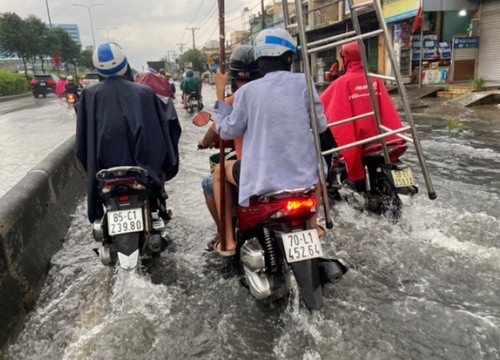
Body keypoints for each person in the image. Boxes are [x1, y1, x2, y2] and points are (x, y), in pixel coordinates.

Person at [213, 27, 328, 256]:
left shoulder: (247, 93)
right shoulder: (305, 83)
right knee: (320, 167)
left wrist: (219, 96)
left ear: (259, 61)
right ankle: (313, 225)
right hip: (305, 177)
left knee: (218, 171)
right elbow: (321, 126)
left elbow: (226, 131)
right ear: (288, 58)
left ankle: (227, 240)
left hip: (262, 178)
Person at [76, 43, 181, 223]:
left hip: (104, 169)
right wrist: (165, 166)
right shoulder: (144, 93)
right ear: (124, 64)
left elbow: (83, 140)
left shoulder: (89, 95)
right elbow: (160, 134)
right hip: (143, 169)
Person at [198, 45, 260, 252]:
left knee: (211, 181)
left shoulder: (237, 98)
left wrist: (203, 143)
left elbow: (221, 130)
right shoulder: (278, 93)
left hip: (252, 170)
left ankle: (226, 236)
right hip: (290, 171)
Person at [320, 42, 405, 190]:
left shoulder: (342, 82)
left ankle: (327, 182)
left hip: (358, 138)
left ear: (346, 58)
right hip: (380, 136)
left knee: (323, 142)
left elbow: (320, 106)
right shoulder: (375, 79)